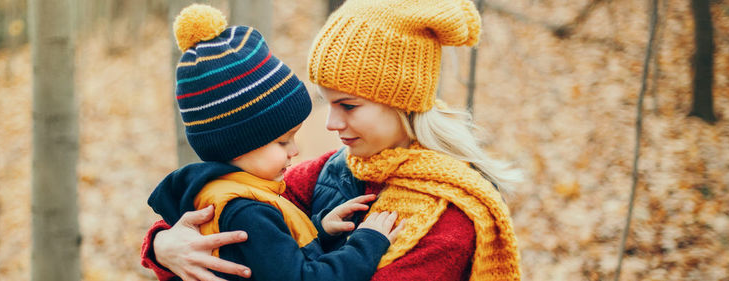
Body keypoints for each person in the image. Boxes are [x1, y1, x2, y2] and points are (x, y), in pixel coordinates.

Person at [141, 0, 524, 280]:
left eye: (348, 105)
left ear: (403, 101)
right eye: (327, 102)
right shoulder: (328, 172)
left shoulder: (448, 222)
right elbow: (243, 224)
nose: (330, 124)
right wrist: (164, 246)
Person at [145, 4, 404, 281]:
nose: (295, 150)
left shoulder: (223, 193)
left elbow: (270, 257)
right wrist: (367, 242)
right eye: (282, 142)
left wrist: (319, 230)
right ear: (237, 143)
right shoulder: (247, 210)